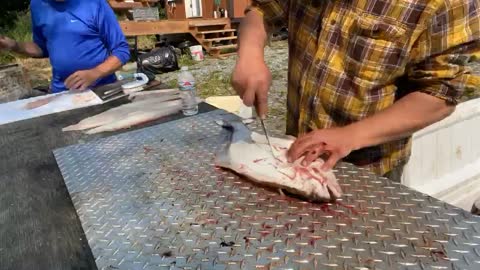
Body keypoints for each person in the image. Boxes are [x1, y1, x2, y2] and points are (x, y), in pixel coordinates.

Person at [231, 0, 480, 182]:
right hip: (295, 154)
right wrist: (250, 53)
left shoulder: (447, 3)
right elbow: (265, 8)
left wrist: (351, 136)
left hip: (370, 172)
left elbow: (439, 95)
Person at [0, 0, 130, 93]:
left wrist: (95, 73)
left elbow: (121, 50)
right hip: (61, 93)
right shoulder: (38, 4)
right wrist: (14, 45)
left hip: (101, 89)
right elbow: (42, 48)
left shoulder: (95, 3)